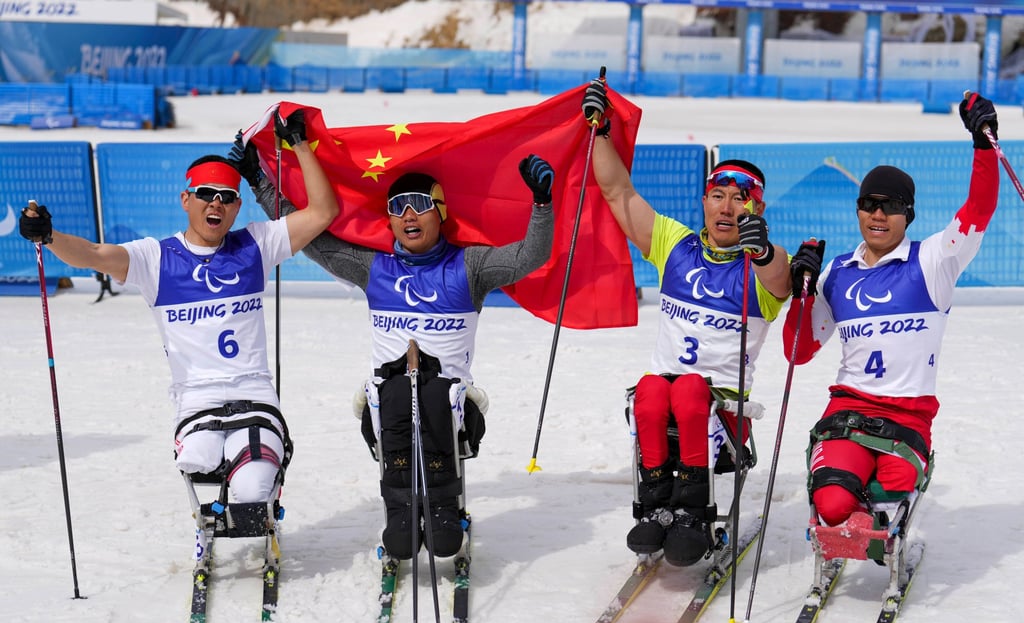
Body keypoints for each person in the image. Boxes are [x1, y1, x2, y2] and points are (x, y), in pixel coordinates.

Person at [232, 134, 555, 560]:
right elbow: (308, 234)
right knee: (399, 388)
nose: (407, 215)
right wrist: (259, 179)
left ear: (440, 212)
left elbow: (527, 258)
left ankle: (441, 503)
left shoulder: (469, 266)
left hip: (454, 412)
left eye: (419, 204)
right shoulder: (374, 268)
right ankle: (401, 506)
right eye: (397, 207)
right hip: (387, 411)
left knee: (429, 388)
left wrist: (542, 203)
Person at [18, 109, 339, 505]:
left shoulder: (255, 244)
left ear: (237, 208)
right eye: (206, 194)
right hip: (197, 400)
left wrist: (300, 145)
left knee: (252, 488)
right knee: (199, 462)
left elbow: (324, 213)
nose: (216, 204)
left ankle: (258, 505)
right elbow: (93, 254)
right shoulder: (156, 258)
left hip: (253, 394)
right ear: (186, 199)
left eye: (226, 198)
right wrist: (48, 236)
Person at [581, 79, 792, 566]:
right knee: (654, 388)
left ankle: (695, 508)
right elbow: (616, 192)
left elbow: (779, 274)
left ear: (756, 208)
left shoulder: (760, 264)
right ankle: (655, 506)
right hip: (661, 401)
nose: (727, 207)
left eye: (740, 200)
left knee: (691, 389)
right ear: (704, 201)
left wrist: (760, 250)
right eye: (718, 195)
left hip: (722, 410)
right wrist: (600, 131)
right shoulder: (674, 244)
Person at [784, 93, 999, 529]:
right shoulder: (837, 272)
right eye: (870, 204)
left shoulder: (934, 261)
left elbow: (978, 209)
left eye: (892, 206)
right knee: (831, 504)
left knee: (890, 499)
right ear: (859, 209)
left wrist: (983, 144)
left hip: (907, 414)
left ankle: (878, 511)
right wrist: (800, 294)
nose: (879, 214)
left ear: (909, 215)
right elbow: (797, 351)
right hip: (848, 409)